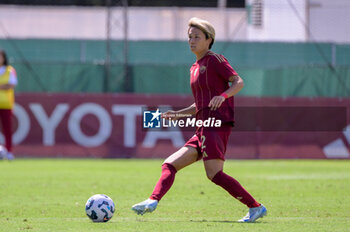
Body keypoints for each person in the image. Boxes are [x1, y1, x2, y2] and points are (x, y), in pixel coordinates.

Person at [132, 17, 267, 223]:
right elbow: (199, 105)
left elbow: (239, 82)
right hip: (202, 127)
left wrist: (223, 96)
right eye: (189, 37)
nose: (191, 41)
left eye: (197, 37)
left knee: (214, 174)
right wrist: (177, 115)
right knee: (169, 164)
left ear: (208, 39)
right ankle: (152, 200)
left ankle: (255, 207)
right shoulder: (194, 68)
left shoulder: (215, 60)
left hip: (217, 124)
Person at [0, 49, 17, 160]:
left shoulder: (9, 70)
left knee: (7, 129)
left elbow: (11, 84)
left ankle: (9, 151)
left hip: (6, 104)